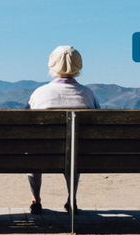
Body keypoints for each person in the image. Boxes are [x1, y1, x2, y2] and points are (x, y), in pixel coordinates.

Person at [26, 45, 100, 215]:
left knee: (32, 153)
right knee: (74, 151)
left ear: (51, 65)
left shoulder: (40, 93)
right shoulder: (88, 94)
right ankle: (71, 198)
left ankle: (36, 200)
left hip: (43, 154)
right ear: (78, 66)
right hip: (78, 155)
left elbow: (27, 127)